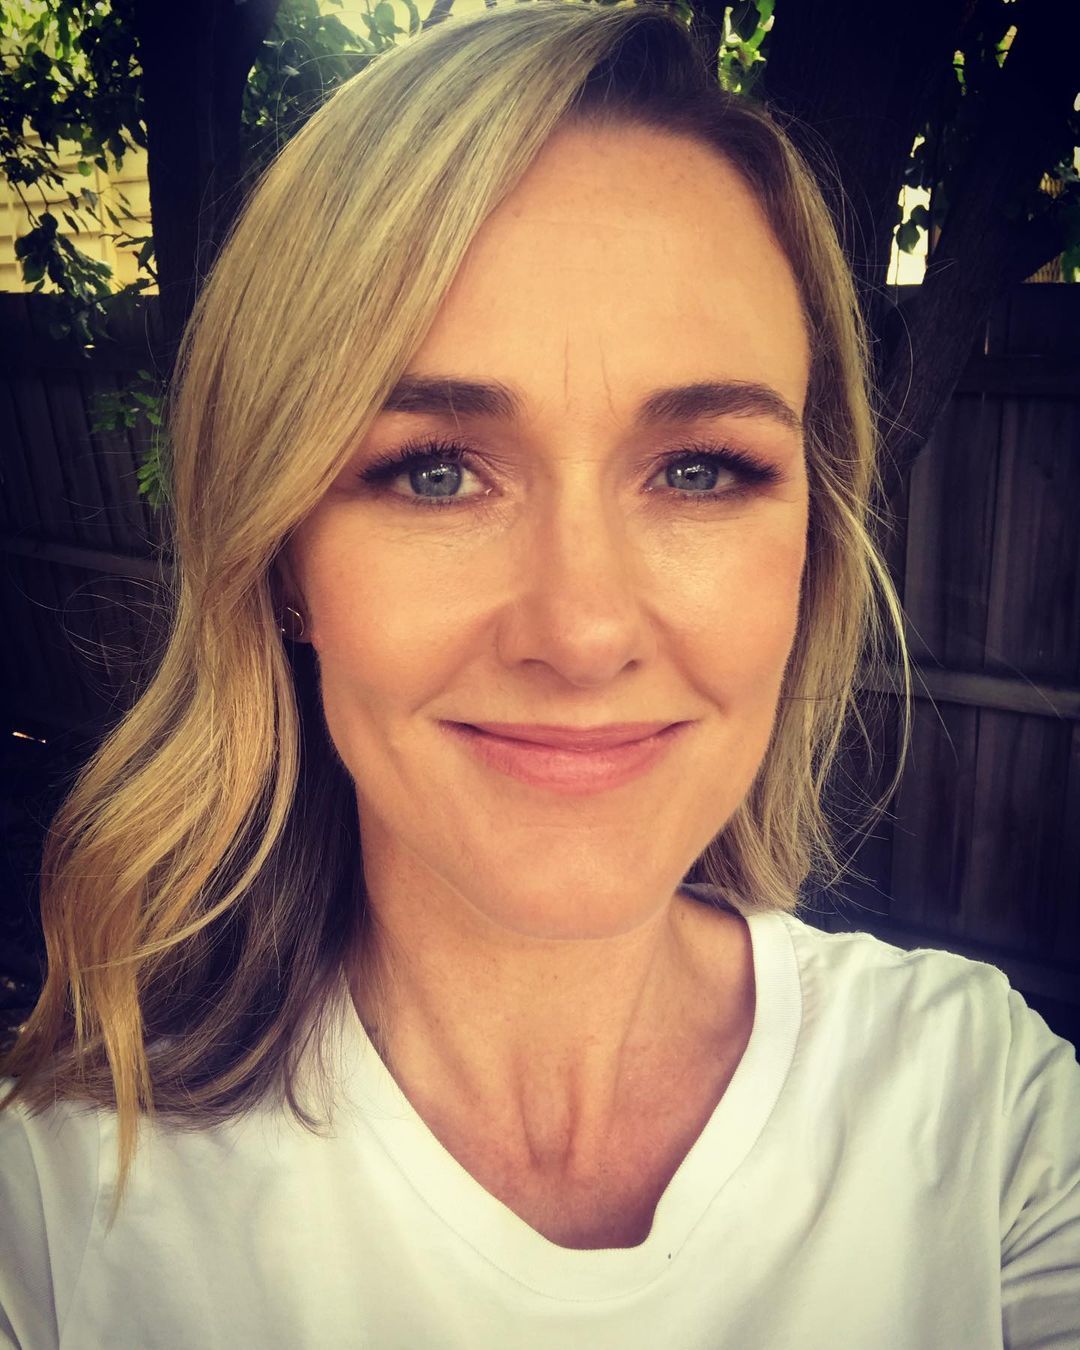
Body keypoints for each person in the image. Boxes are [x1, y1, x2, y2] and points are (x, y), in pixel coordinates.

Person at [2, 2, 1078, 1346]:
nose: (580, 631)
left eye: (700, 470)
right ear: (281, 560)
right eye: (434, 472)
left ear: (810, 541)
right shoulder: (57, 1214)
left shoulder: (986, 1122)